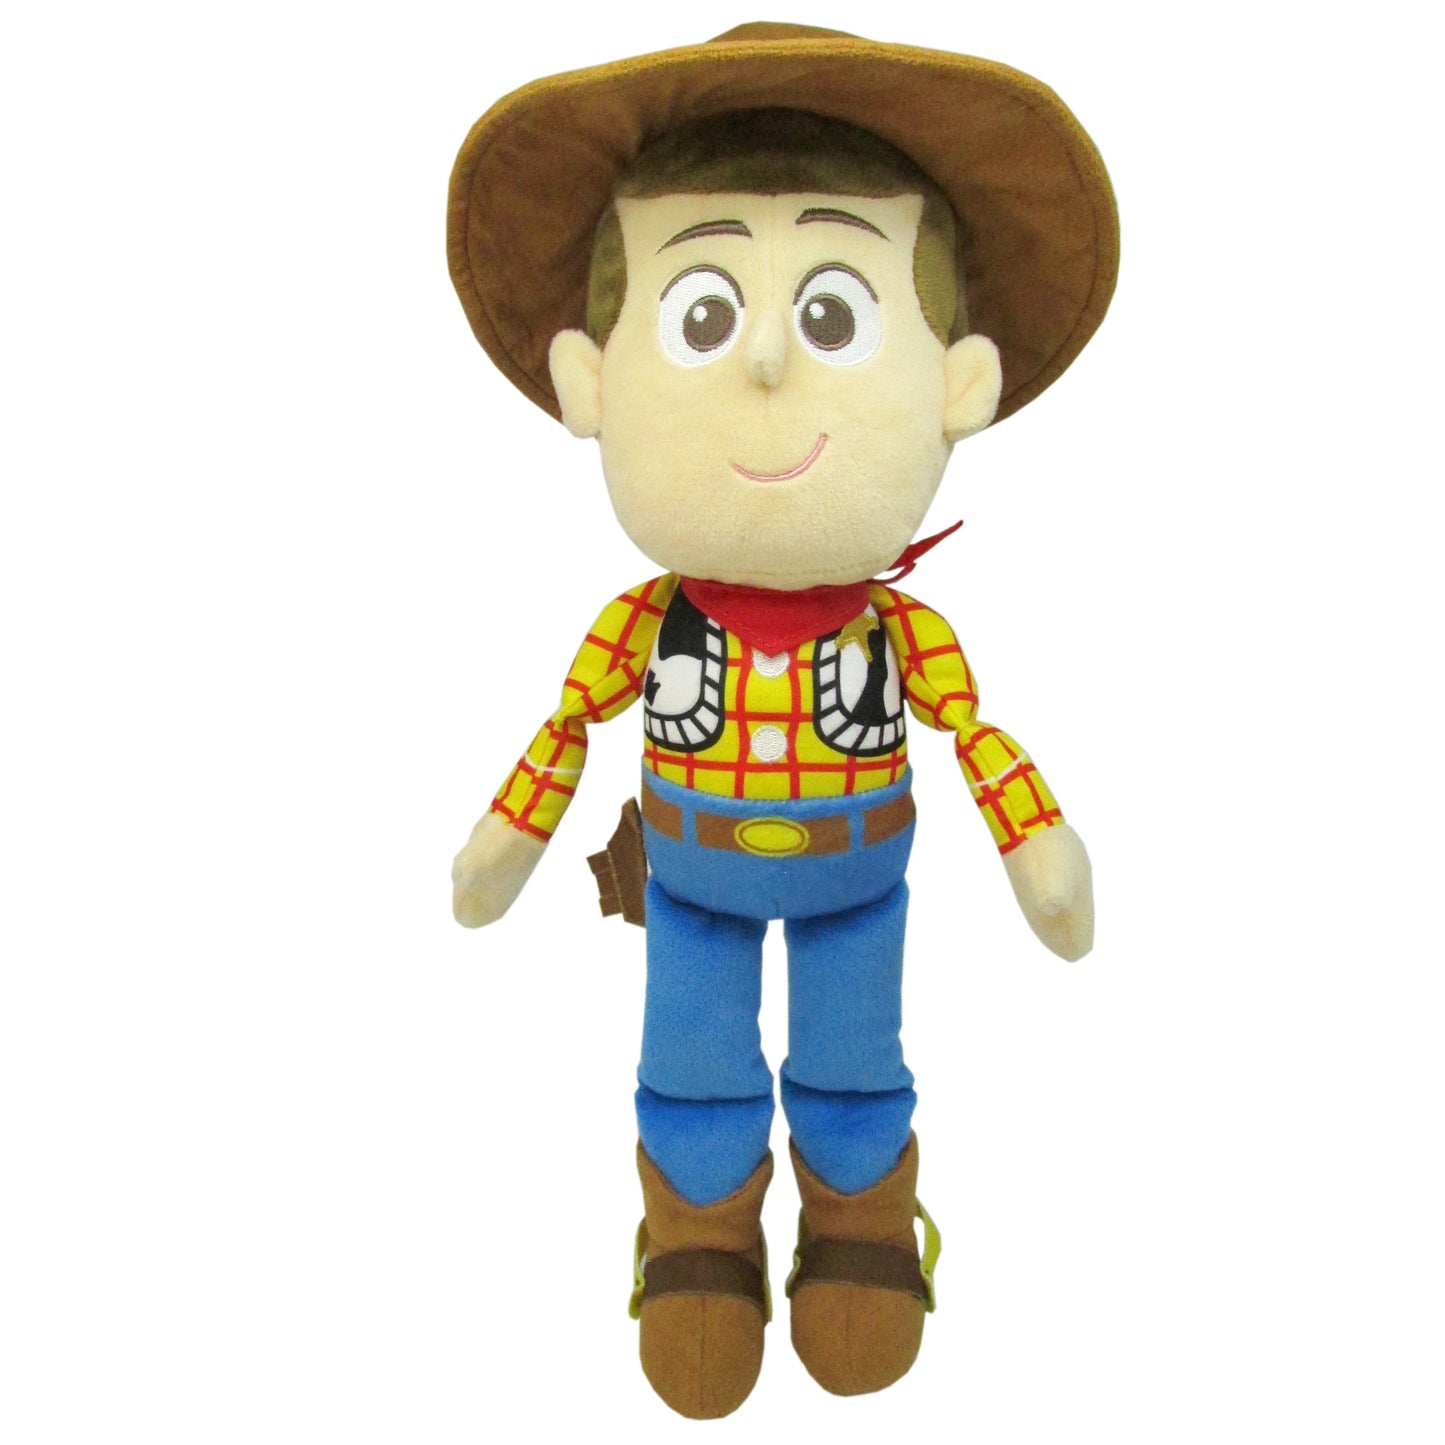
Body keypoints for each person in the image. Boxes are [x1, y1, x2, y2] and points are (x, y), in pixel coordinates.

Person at [446, 24, 1117, 1420]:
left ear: (956, 383)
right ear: (590, 381)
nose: (761, 358)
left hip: (853, 884)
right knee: (688, 1057)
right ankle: (696, 1232)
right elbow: (565, 730)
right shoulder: (647, 623)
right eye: (700, 316)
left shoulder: (896, 632)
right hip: (689, 881)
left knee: (852, 1054)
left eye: (831, 317)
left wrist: (1038, 844)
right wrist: (507, 842)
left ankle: (860, 1216)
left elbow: (975, 733)